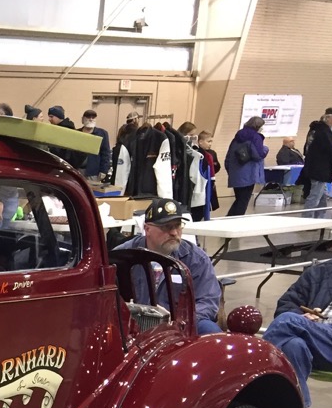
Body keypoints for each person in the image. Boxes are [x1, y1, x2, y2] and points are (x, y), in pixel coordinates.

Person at [115, 197, 222, 334]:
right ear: (147, 229)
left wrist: (180, 320)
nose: (174, 233)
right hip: (132, 325)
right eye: (166, 227)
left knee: (209, 330)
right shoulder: (123, 255)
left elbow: (208, 301)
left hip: (179, 328)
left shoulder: (196, 259)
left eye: (177, 225)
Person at [263, 259, 332, 408]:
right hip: (315, 340)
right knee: (292, 345)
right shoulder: (321, 272)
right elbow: (287, 302)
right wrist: (304, 317)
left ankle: (255, 390)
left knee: (288, 321)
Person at [225, 116, 268, 216]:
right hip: (248, 174)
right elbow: (258, 155)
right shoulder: (256, 137)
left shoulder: (237, 137)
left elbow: (228, 157)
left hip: (235, 173)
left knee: (239, 199)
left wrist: (230, 171)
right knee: (243, 201)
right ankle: (235, 221)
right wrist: (265, 149)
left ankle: (228, 219)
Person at [302, 108, 332, 211]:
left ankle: (319, 218)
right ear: (329, 118)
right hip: (319, 169)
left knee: (322, 198)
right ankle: (307, 218)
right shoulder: (323, 132)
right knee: (315, 197)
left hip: (318, 167)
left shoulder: (317, 130)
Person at [192, 131, 221, 221]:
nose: (210, 144)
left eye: (211, 141)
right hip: (200, 181)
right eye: (208, 141)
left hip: (208, 180)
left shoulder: (212, 154)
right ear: (200, 142)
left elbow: (216, 167)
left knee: (207, 203)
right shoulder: (195, 153)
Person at [79, 109, 112, 182]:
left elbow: (105, 153)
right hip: (78, 170)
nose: (91, 119)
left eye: (93, 117)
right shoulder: (77, 133)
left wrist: (104, 170)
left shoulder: (102, 133)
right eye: (88, 117)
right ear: (83, 119)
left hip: (93, 172)